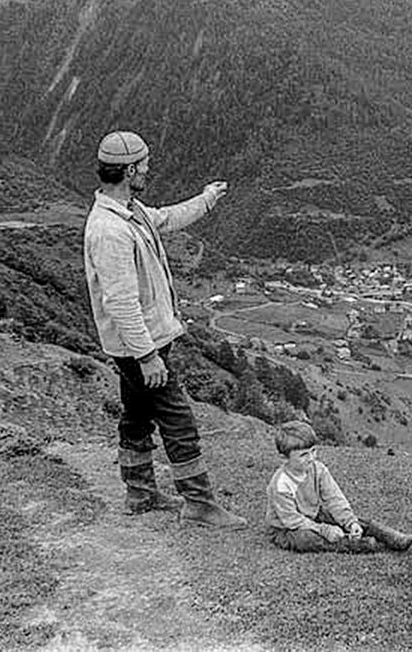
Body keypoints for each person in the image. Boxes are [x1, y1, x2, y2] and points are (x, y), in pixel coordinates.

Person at [83, 130, 246, 529]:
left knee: (137, 415)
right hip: (141, 346)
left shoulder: (129, 212)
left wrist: (207, 198)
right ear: (130, 169)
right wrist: (148, 356)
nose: (149, 169)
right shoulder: (110, 230)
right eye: (145, 164)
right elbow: (119, 302)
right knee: (178, 420)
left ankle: (139, 492)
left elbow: (168, 217)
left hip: (137, 344)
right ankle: (199, 502)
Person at [266, 421, 412, 553]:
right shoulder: (281, 484)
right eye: (303, 455)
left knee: (342, 517)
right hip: (286, 529)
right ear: (284, 457)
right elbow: (291, 520)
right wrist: (324, 529)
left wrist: (350, 521)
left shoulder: (318, 469)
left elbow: (334, 498)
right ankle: (355, 544)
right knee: (305, 539)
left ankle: (391, 537)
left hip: (313, 514)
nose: (311, 458)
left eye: (313, 451)